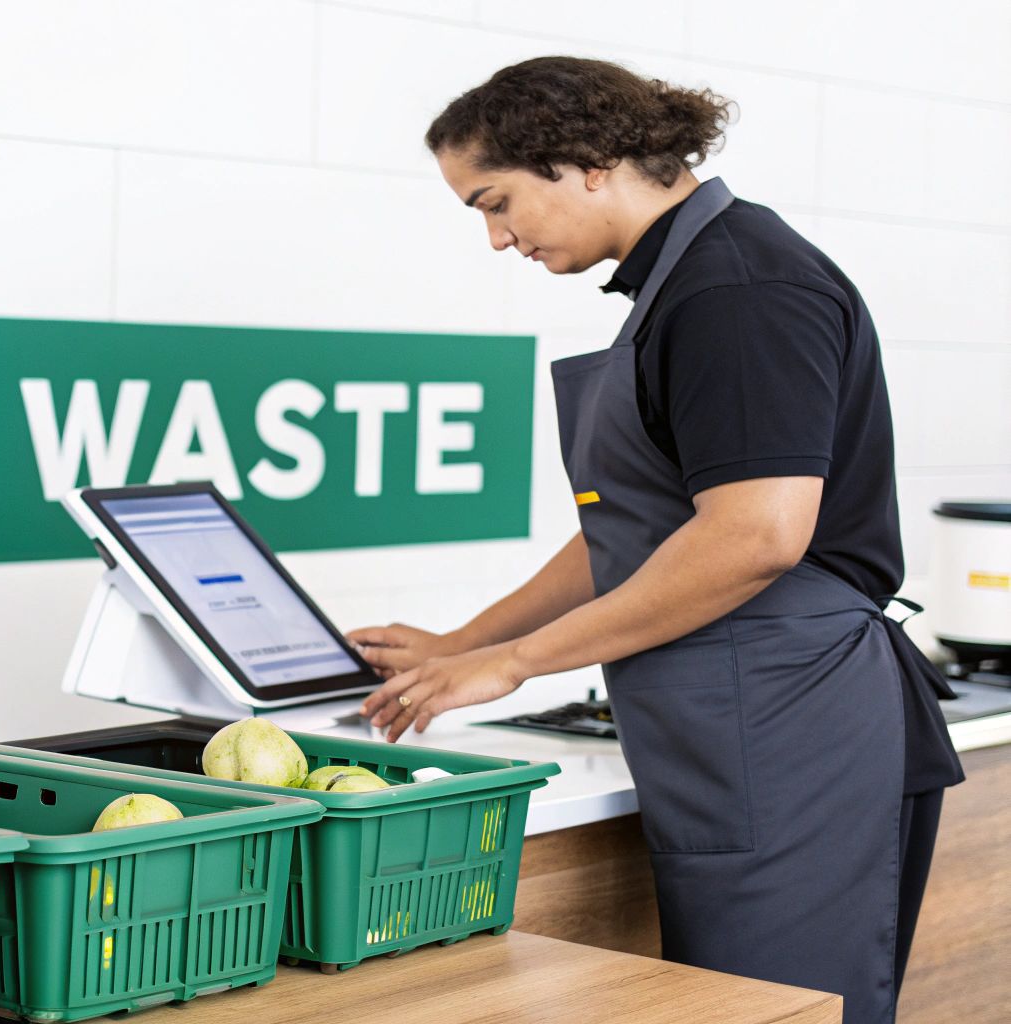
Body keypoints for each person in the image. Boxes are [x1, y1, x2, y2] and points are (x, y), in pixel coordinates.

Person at [348, 57, 965, 1023]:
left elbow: (754, 538)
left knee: (776, 1011)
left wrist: (516, 663)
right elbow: (636, 536)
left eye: (495, 201)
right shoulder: (682, 287)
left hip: (789, 723)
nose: (497, 237)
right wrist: (461, 644)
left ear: (586, 161)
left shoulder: (739, 288)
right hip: (742, 723)